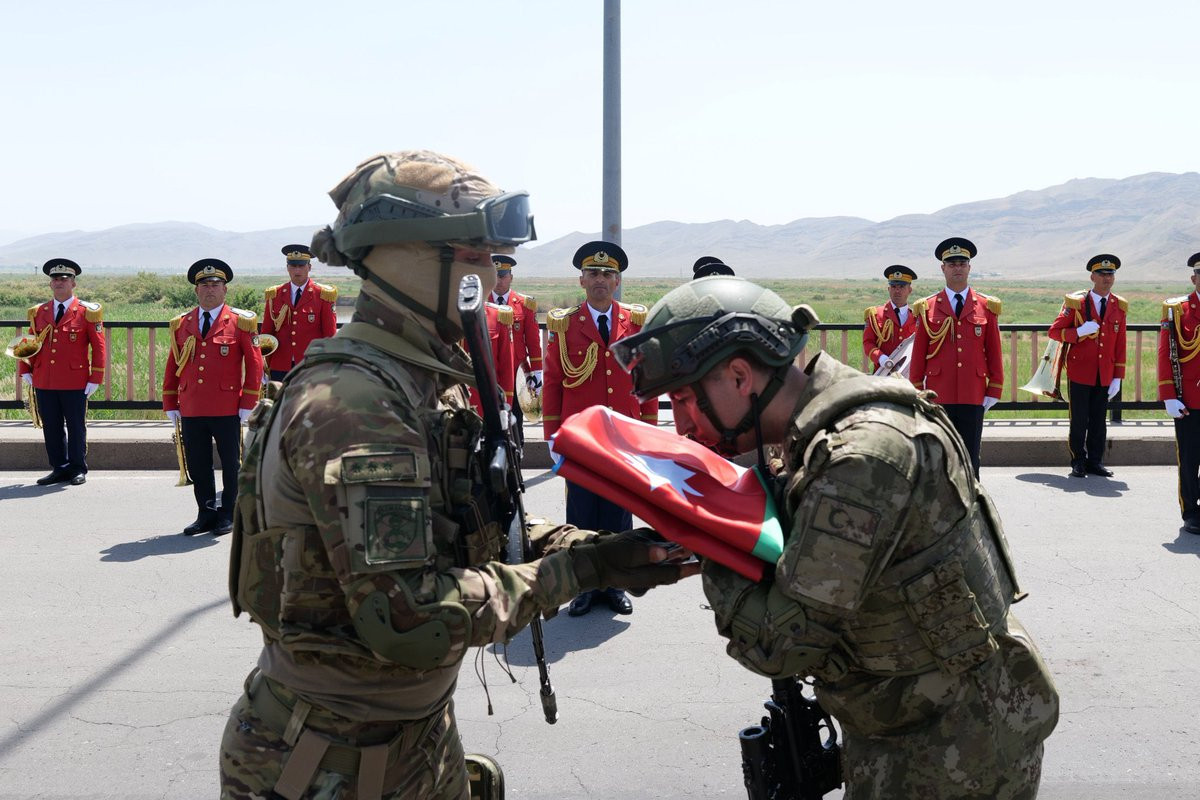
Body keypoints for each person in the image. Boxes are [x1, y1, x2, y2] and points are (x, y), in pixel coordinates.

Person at [217, 150, 695, 800]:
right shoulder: (359, 405)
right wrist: (581, 571)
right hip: (331, 759)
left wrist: (603, 549)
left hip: (407, 738)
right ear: (410, 261)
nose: (492, 273)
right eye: (476, 255)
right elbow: (412, 618)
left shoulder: (420, 380)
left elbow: (472, 524)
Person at [611, 276, 1059, 799]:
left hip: (952, 748)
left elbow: (780, 646)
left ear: (739, 376)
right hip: (911, 719)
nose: (682, 427)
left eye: (685, 400)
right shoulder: (814, 429)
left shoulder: (860, 460)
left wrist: (710, 542)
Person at [543, 240, 659, 617]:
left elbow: (647, 382)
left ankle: (615, 585)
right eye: (593, 273)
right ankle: (584, 588)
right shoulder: (565, 326)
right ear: (582, 280)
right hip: (581, 439)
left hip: (623, 438)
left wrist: (649, 434)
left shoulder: (634, 324)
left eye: (608, 274)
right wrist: (552, 437)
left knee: (618, 513)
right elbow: (554, 384)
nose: (600, 280)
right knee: (582, 513)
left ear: (617, 281)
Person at [162, 259, 263, 536]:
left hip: (227, 406)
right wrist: (170, 401)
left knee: (231, 464)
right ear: (196, 291)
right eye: (204, 285)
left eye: (215, 285)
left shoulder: (241, 322)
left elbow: (255, 365)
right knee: (199, 464)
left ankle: (228, 513)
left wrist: (248, 402)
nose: (210, 289)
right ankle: (205, 513)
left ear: (225, 289)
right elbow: (173, 364)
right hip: (192, 406)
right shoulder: (182, 323)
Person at [909, 237, 1003, 476]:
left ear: (969, 267)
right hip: (939, 391)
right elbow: (919, 353)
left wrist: (994, 388)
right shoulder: (927, 307)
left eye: (962, 263)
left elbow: (994, 350)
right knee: (940, 452)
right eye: (952, 264)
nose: (957, 268)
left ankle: (972, 495)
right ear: (943, 268)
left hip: (973, 391)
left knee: (970, 454)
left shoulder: (986, 307)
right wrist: (917, 389)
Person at [17, 258, 106, 486]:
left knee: (76, 427)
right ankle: (59, 467)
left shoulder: (86, 312)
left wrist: (96, 377)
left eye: (64, 279)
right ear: (50, 284)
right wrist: (24, 367)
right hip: (44, 379)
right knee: (52, 427)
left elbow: (98, 347)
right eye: (55, 279)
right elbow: (30, 341)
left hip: (74, 380)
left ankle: (77, 468)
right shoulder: (39, 311)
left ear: (73, 283)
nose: (59, 282)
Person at [1048, 254, 1127, 478]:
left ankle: (1095, 461)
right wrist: (1078, 332)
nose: (1106, 278)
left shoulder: (1119, 306)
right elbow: (1054, 332)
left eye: (1110, 274)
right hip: (1080, 372)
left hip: (1105, 373)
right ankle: (1078, 460)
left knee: (1099, 421)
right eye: (1101, 274)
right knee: (1079, 420)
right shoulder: (1077, 304)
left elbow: (1120, 343)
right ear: (1092, 277)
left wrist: (1118, 376)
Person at [1158, 252, 1200, 535]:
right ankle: (1191, 512)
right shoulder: (1178, 310)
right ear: (1194, 278)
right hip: (1189, 400)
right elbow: (1165, 354)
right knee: (1190, 458)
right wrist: (1168, 395)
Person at [261, 244, 338, 380]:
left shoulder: (323, 295)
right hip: (280, 365)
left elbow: (329, 336)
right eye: (293, 266)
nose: (297, 270)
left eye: (301, 266)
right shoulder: (275, 294)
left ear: (309, 267)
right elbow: (267, 334)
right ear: (287, 268)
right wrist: (266, 364)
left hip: (311, 365)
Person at [489, 254, 542, 425]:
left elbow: (533, 341)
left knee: (516, 420)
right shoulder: (482, 303)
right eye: (494, 276)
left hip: (517, 371)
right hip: (490, 369)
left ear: (510, 277)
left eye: (502, 276)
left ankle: (517, 443)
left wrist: (537, 372)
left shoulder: (524, 304)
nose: (498, 280)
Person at [862, 264, 918, 372]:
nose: (897, 291)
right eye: (894, 287)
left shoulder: (917, 317)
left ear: (910, 290)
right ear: (889, 289)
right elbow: (868, 343)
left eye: (901, 287)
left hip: (908, 373)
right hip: (883, 371)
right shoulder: (875, 315)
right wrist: (881, 358)